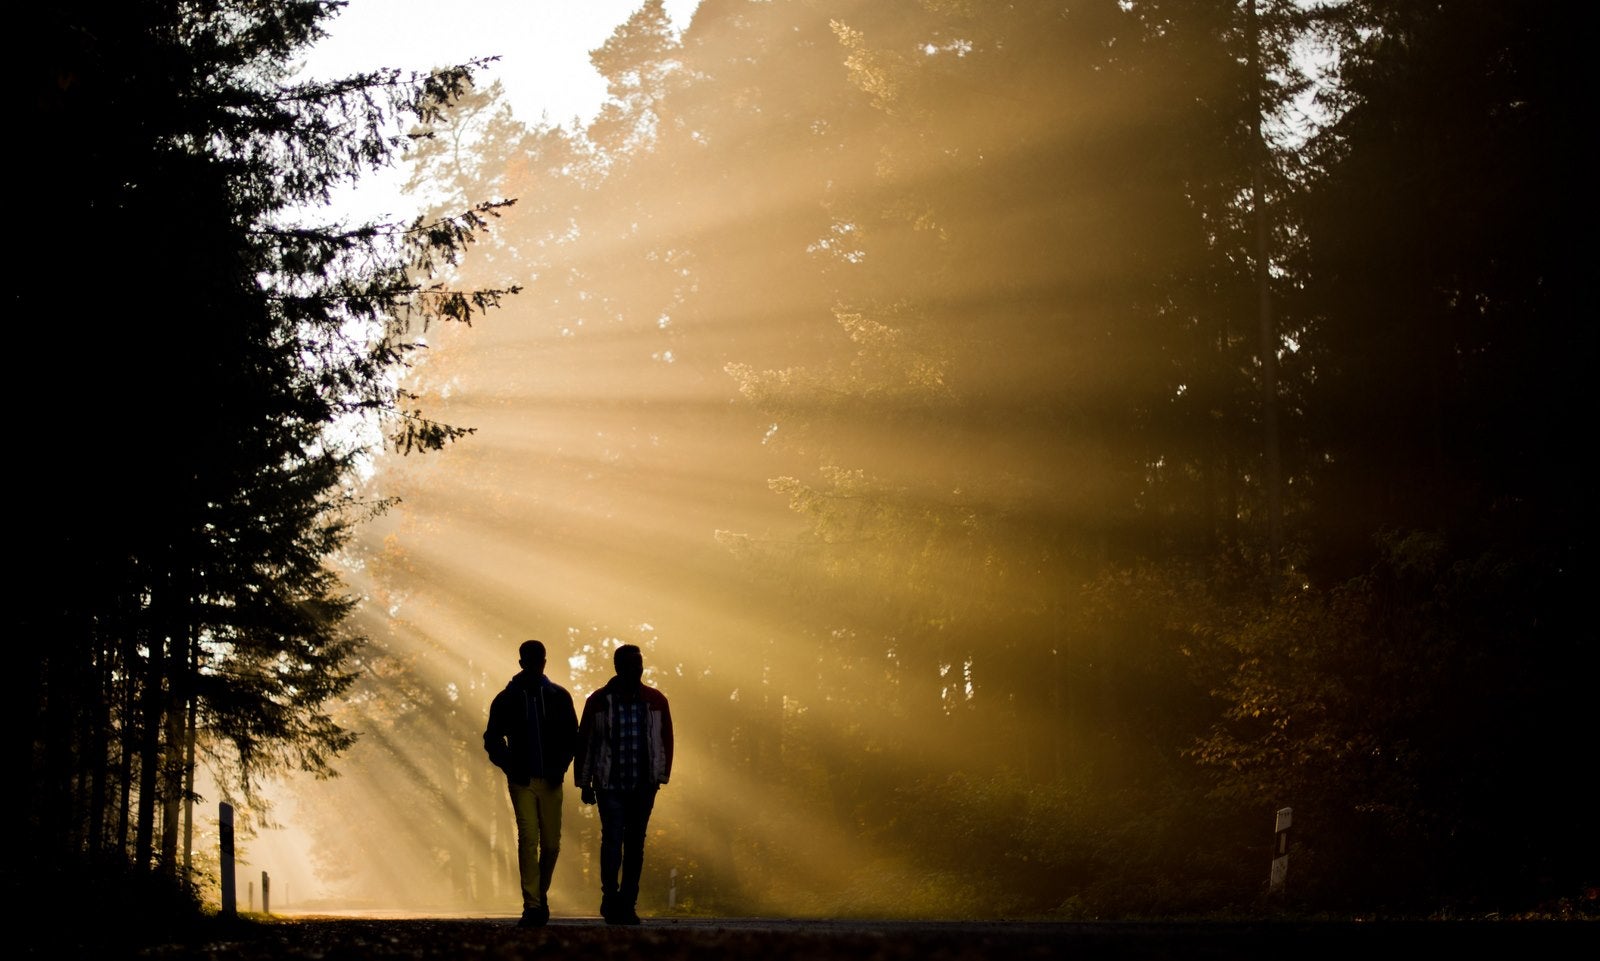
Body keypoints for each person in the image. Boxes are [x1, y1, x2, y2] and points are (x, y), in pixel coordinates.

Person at [574, 643, 674, 925]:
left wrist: (660, 776)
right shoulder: (598, 701)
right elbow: (586, 741)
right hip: (609, 785)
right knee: (612, 840)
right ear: (618, 667)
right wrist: (584, 782)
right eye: (632, 664)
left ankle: (627, 904)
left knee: (635, 844)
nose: (637, 669)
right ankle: (610, 897)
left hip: (644, 785)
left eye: (640, 664)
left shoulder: (655, 700)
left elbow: (666, 738)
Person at [483, 639, 579, 928]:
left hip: (551, 781)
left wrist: (560, 767)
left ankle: (539, 895)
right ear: (522, 662)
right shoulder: (506, 698)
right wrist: (511, 766)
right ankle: (533, 905)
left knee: (551, 845)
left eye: (540, 659)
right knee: (528, 839)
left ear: (544, 662)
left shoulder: (559, 697)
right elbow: (492, 739)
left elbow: (572, 736)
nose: (537, 664)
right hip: (522, 781)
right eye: (531, 659)